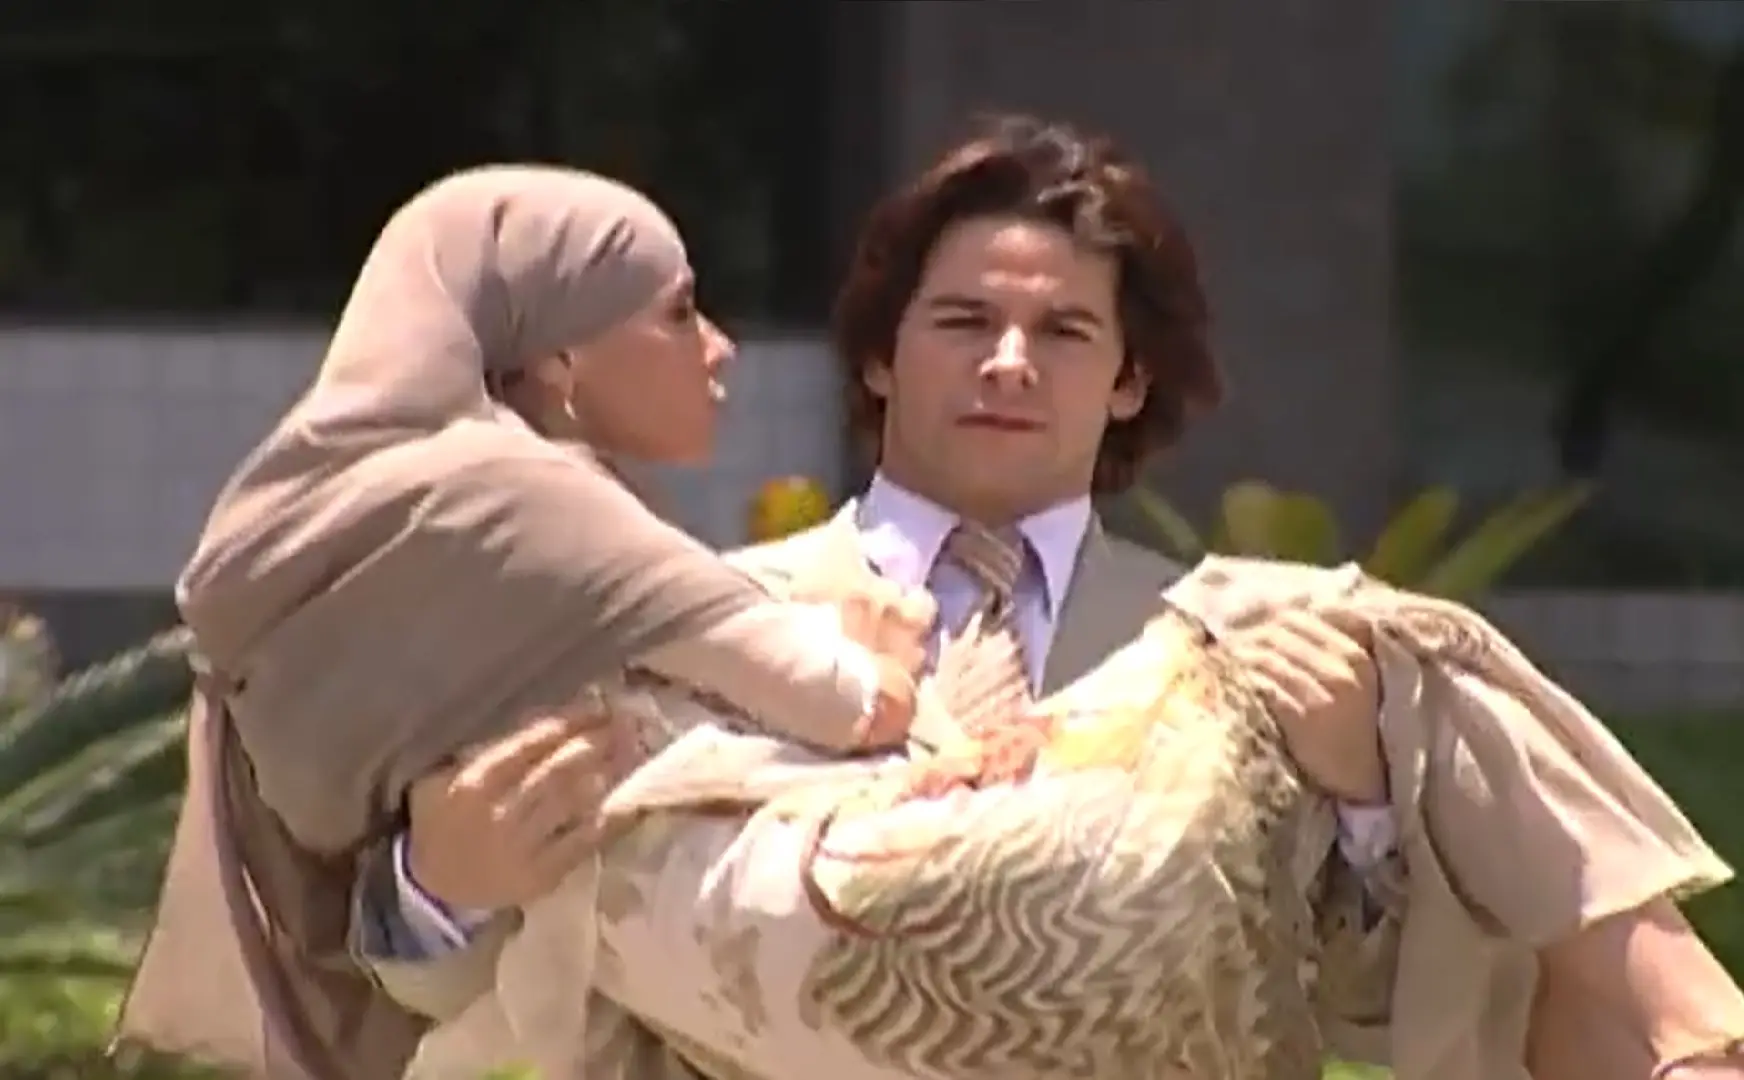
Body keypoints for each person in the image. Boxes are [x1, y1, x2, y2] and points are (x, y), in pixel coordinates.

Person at [376, 117, 1744, 1080]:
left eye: (1065, 331)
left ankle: (1697, 1044)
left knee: (1397, 651)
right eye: (964, 322)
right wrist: (438, 887)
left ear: (1129, 380)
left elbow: (1378, 1008)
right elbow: (418, 992)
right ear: (880, 359)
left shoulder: (1230, 649)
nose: (1009, 364)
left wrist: (1366, 811)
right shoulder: (690, 626)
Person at [116, 165, 947, 1080]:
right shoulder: (534, 511)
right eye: (677, 313)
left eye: (1055, 327)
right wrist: (885, 659)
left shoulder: (395, 530)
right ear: (558, 359)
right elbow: (844, 700)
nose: (719, 348)